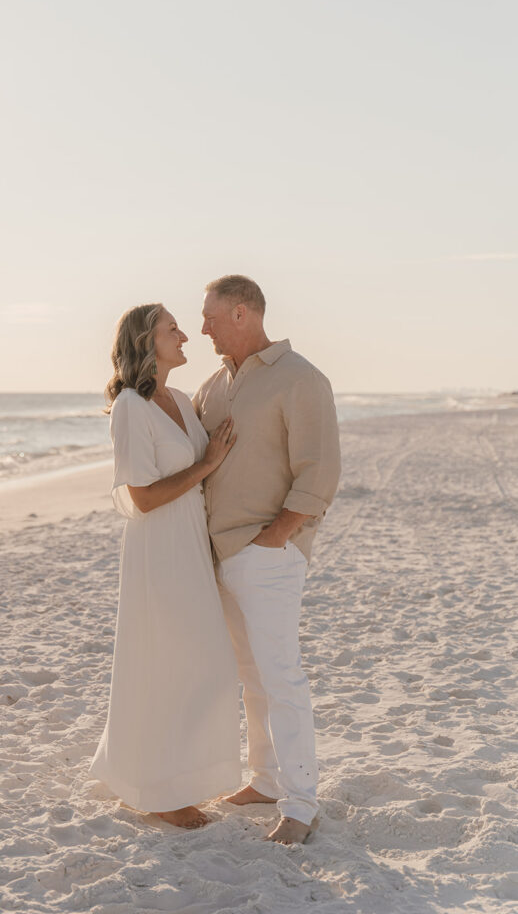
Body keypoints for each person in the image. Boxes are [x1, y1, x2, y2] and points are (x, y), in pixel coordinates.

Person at [194, 275, 341, 845]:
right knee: (251, 676)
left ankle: (301, 805)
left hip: (268, 552)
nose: (201, 326)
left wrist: (276, 537)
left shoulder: (301, 378)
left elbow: (320, 470)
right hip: (221, 553)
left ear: (240, 313)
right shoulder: (213, 386)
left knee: (281, 677)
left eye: (209, 316)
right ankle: (265, 778)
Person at [90, 303, 241, 829]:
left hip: (192, 546)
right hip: (159, 549)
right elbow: (144, 497)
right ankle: (158, 791)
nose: (184, 336)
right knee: (170, 662)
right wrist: (205, 465)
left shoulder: (181, 398)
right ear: (145, 342)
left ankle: (171, 779)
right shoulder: (132, 406)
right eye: (171, 329)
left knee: (205, 665)